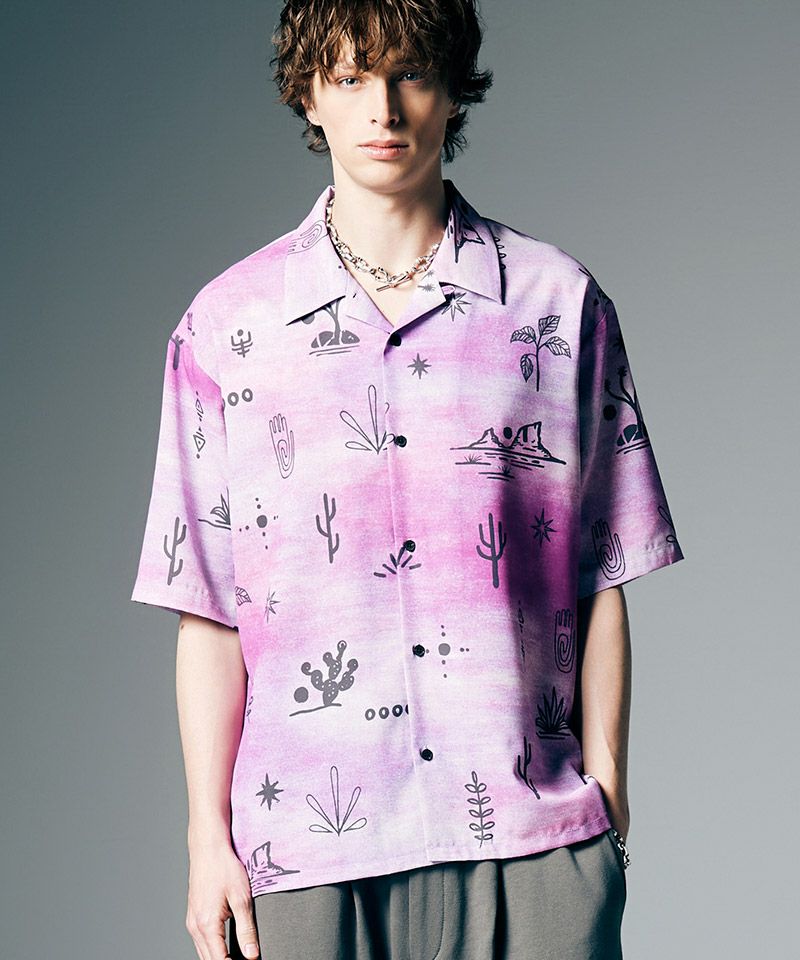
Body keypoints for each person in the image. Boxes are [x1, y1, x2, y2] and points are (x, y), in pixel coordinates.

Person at [130, 1, 685, 957]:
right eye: (350, 78)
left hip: (531, 840)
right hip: (307, 854)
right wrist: (205, 840)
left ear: (452, 89)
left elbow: (603, 577)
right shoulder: (227, 328)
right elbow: (209, 611)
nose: (382, 108)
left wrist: (606, 805)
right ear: (309, 94)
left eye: (411, 73)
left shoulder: (556, 306)